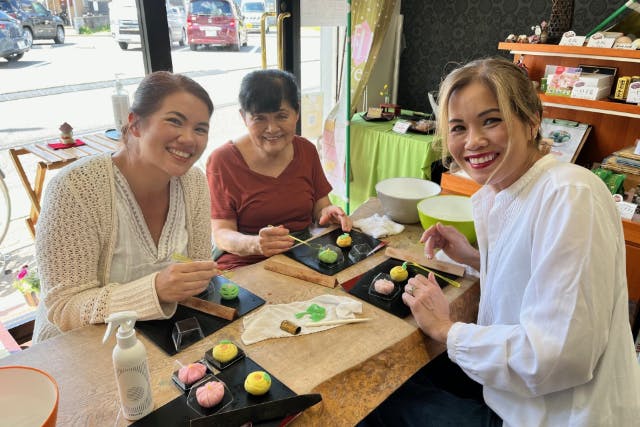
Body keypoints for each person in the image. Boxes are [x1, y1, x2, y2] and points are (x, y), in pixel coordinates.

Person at [362, 58, 640, 426]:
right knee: (400, 377)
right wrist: (478, 258)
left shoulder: (570, 194)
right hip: (520, 394)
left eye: (490, 120)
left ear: (531, 120)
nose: (472, 141)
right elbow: (537, 280)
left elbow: (559, 355)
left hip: (554, 414)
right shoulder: (507, 190)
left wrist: (448, 331)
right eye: (458, 127)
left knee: (377, 402)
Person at [33, 71, 219, 343]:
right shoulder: (76, 187)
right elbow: (63, 308)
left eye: (200, 128)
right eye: (174, 121)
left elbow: (198, 267)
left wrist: (198, 276)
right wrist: (154, 290)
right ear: (135, 124)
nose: (189, 139)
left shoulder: (193, 182)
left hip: (161, 342)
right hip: (78, 352)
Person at [206, 69, 351, 270]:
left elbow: (320, 207)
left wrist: (328, 213)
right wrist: (255, 244)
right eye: (259, 118)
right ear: (244, 117)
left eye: (282, 116)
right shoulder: (223, 161)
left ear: (297, 112)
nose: (272, 129)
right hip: (245, 263)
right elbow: (221, 234)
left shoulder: (306, 151)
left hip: (303, 256)